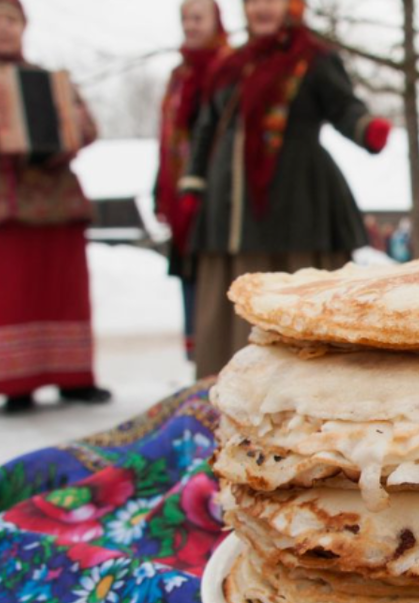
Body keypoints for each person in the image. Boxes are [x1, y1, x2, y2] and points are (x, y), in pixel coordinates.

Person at [181, 0, 392, 379]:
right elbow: (206, 129)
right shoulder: (230, 66)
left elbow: (343, 106)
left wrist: (366, 128)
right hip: (230, 207)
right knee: (231, 295)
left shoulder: (313, 59)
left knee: (301, 294)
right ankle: (227, 387)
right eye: (253, 1)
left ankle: (307, 387)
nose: (262, 8)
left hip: (298, 203)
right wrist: (193, 183)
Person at [0, 0, 111, 414]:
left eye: (10, 19)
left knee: (61, 293)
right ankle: (16, 382)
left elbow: (86, 126)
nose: (2, 28)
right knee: (8, 295)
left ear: (23, 25)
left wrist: (75, 127)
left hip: (53, 202)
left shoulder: (49, 79)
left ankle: (74, 378)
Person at [155, 0, 229, 362]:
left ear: (216, 20)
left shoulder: (228, 67)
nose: (191, 25)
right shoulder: (179, 77)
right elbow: (169, 138)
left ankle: (220, 352)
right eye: (185, 18)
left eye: (198, 17)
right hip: (183, 191)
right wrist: (162, 188)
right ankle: (200, 356)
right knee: (190, 272)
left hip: (220, 193)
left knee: (216, 275)